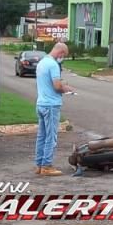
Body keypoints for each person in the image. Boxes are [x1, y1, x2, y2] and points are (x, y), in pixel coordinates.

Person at [34, 42, 75, 176]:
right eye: (63, 55)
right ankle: (47, 165)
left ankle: (39, 164)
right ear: (60, 52)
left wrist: (61, 85)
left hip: (41, 103)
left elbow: (47, 83)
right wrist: (66, 89)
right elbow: (57, 86)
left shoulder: (42, 63)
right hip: (51, 105)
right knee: (51, 137)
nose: (62, 58)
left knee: (42, 136)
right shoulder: (53, 65)